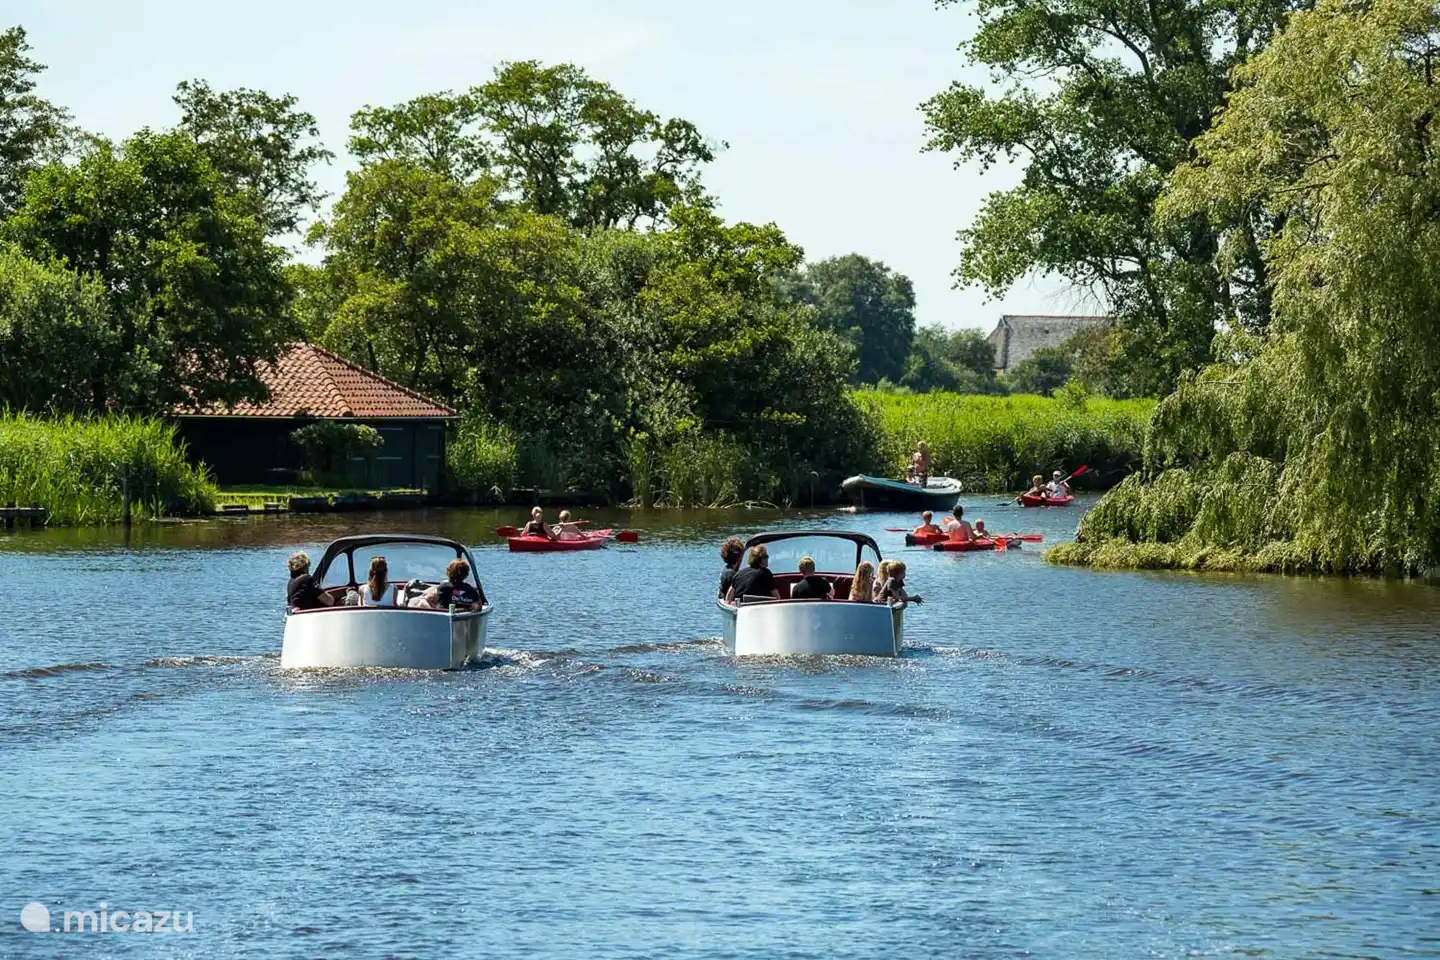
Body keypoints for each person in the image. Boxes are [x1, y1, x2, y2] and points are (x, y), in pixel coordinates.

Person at [418, 558, 486, 610]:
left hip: (443, 616)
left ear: (448, 572)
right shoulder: (472, 591)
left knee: (422, 601)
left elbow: (427, 599)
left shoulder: (443, 587)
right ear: (466, 574)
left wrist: (433, 608)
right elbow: (479, 606)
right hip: (462, 617)